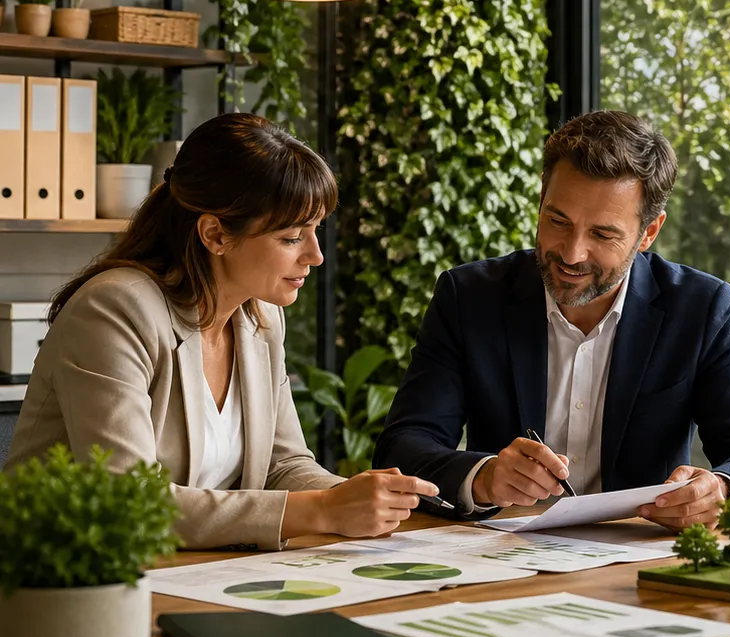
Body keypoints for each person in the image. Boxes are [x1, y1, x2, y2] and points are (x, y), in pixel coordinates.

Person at [5, 113, 437, 550]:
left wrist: (354, 496)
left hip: (194, 571)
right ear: (215, 234)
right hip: (66, 581)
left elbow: (283, 464)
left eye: (315, 231)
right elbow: (127, 499)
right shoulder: (116, 309)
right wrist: (322, 510)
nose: (315, 255)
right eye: (291, 237)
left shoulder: (261, 317)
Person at [374, 109, 730, 529]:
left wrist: (720, 488)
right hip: (502, 552)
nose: (571, 253)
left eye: (602, 234)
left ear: (648, 233)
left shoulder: (701, 308)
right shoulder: (469, 297)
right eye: (558, 220)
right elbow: (402, 447)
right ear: (541, 199)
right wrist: (483, 478)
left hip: (637, 556)